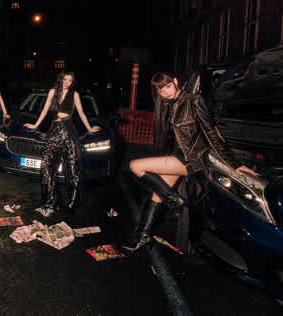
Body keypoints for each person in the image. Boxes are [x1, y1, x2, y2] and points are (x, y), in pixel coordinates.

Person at [121, 72, 257, 253]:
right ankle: (143, 237)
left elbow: (211, 133)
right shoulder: (168, 106)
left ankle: (175, 200)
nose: (166, 92)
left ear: (175, 81)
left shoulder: (194, 101)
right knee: (157, 194)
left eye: (168, 86)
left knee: (135, 166)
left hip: (190, 159)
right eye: (161, 90)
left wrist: (234, 164)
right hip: (178, 156)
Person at [24, 71, 100, 216]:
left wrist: (89, 128)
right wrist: (35, 125)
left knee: (72, 168)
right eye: (65, 79)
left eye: (70, 80)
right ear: (61, 79)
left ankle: (73, 203)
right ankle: (50, 203)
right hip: (54, 130)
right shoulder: (52, 92)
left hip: (68, 131)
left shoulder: (75, 95)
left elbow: (81, 113)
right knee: (46, 166)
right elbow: (45, 110)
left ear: (72, 82)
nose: (67, 82)